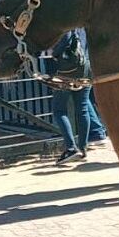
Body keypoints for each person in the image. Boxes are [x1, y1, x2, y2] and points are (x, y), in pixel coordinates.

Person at [50, 28, 92, 164]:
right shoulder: (83, 25)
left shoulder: (65, 26)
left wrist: (53, 55)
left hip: (65, 71)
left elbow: (60, 47)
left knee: (59, 110)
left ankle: (71, 147)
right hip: (86, 66)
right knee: (82, 108)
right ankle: (83, 146)